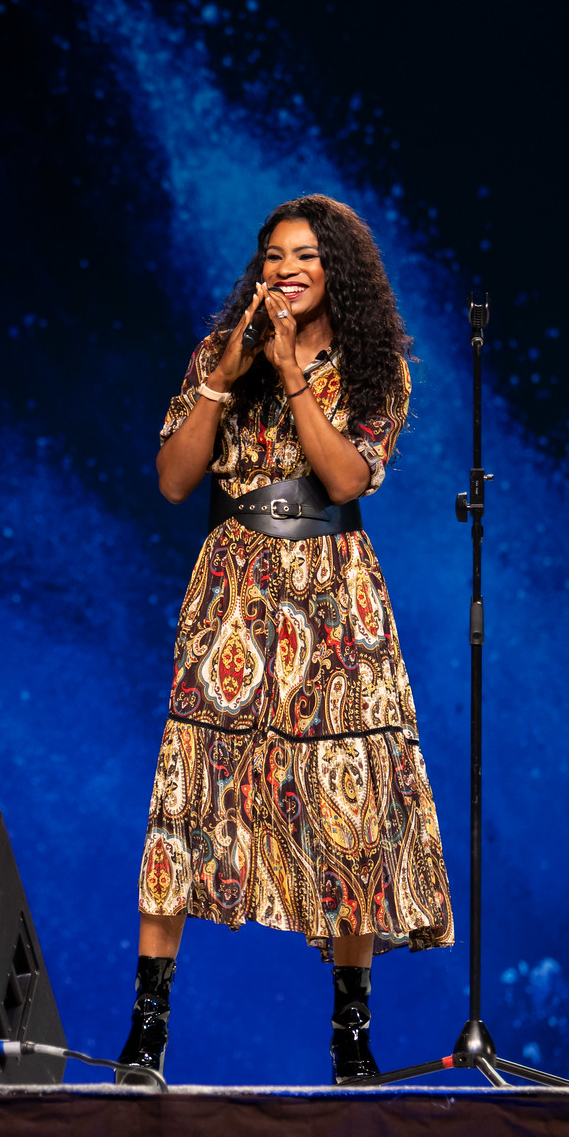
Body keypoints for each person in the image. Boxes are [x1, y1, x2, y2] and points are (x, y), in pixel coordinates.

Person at [118, 194, 454, 1085]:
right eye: (273, 256)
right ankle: (146, 1037)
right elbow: (174, 478)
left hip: (333, 596)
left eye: (304, 255)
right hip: (234, 591)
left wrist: (294, 375)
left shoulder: (377, 369)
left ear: (336, 267)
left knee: (345, 809)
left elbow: (347, 473)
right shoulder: (221, 355)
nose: (285, 269)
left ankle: (351, 1041)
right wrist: (228, 374)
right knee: (188, 800)